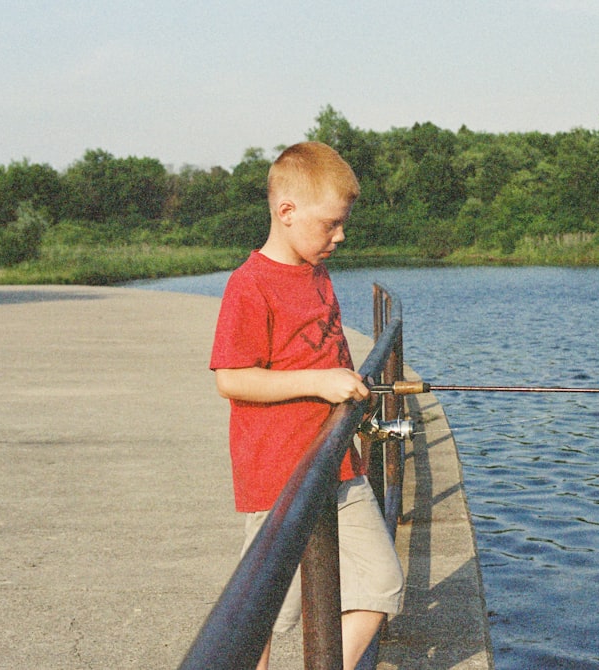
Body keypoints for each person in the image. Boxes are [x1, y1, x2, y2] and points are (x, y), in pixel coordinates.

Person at [209, 141, 404, 670]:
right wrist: (319, 382)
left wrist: (352, 401)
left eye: (344, 224)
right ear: (286, 212)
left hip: (339, 466)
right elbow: (231, 378)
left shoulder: (319, 275)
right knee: (269, 615)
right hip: (278, 476)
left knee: (383, 584)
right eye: (330, 224)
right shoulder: (249, 285)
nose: (340, 236)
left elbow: (330, 357)